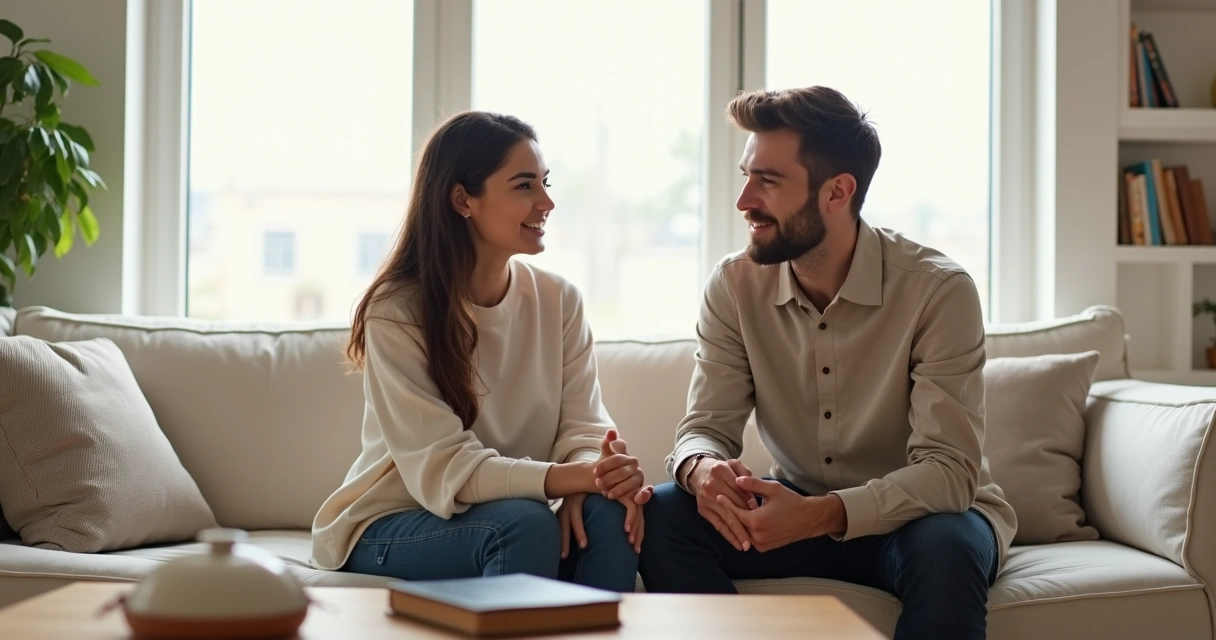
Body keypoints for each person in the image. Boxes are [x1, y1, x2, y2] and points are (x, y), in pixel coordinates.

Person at [638, 86, 1017, 639]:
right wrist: (701, 470)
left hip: (916, 522)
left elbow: (949, 473)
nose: (744, 200)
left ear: (838, 191)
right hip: (793, 512)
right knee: (664, 517)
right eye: (746, 176)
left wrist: (818, 514)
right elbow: (703, 429)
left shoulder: (939, 290)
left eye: (767, 181)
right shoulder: (733, 285)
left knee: (946, 546)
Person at [309, 111, 651, 593]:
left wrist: (594, 476)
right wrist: (570, 478)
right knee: (525, 523)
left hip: (505, 509)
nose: (547, 201)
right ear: (462, 199)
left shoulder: (559, 300)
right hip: (391, 523)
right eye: (524, 186)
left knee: (610, 510)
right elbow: (447, 468)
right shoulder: (397, 311)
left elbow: (584, 426)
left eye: (545, 183)